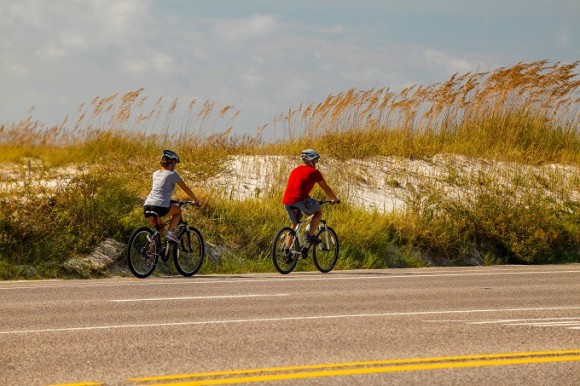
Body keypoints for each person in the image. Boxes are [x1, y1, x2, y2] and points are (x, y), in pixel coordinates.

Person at [282, 149, 340, 248]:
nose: (316, 163)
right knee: (318, 211)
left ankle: (287, 250)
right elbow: (325, 187)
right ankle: (310, 235)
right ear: (312, 160)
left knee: (294, 224)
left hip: (287, 201)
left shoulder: (295, 170)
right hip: (300, 200)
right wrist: (335, 199)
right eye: (316, 160)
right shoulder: (314, 172)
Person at [143, 150, 201, 243]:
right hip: (160, 206)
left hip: (147, 205)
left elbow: (160, 191)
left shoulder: (155, 173)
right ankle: (169, 233)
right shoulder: (172, 174)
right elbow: (186, 188)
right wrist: (196, 200)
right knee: (178, 211)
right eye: (176, 163)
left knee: (159, 230)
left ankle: (151, 254)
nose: (176, 166)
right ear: (172, 162)